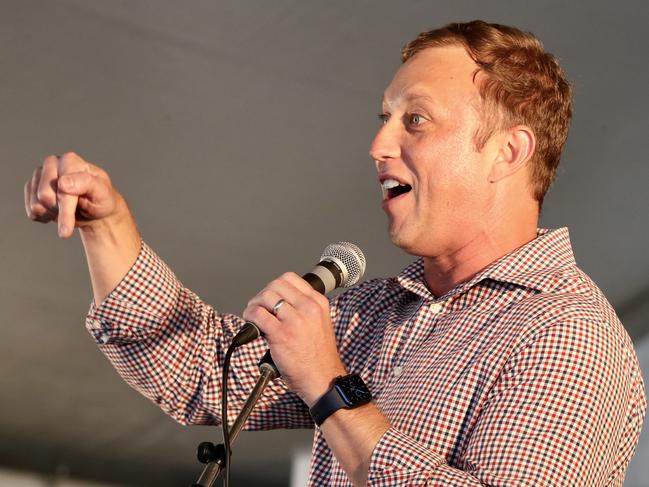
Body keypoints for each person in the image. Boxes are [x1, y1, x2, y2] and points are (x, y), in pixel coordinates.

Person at [24, 20, 646, 486]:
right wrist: (106, 227)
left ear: (507, 153)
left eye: (416, 121)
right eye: (384, 117)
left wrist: (328, 385)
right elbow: (199, 375)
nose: (378, 143)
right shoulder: (381, 310)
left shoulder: (568, 334)